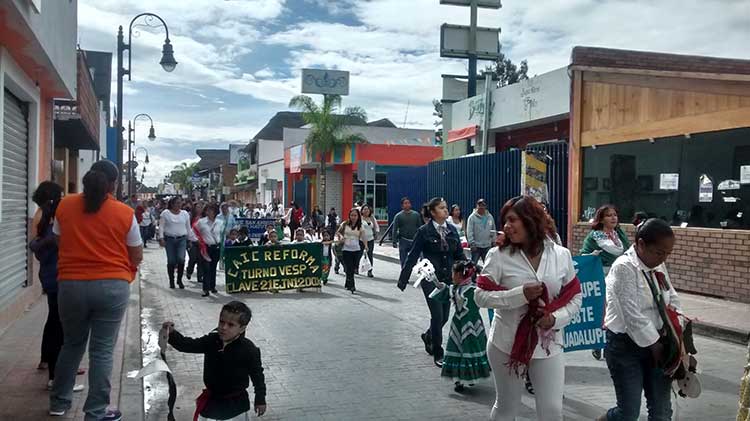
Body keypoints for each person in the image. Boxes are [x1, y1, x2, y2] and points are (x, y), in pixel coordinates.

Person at [50, 160, 143, 421]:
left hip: (71, 285)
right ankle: (95, 412)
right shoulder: (124, 213)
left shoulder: (65, 205)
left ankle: (59, 402)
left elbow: (59, 240)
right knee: (101, 350)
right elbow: (136, 254)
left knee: (72, 344)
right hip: (112, 286)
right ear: (113, 184)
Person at [475, 195, 582, 421]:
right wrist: (519, 294)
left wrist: (555, 319)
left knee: (552, 410)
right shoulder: (498, 256)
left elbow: (575, 297)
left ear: (530, 220)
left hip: (548, 346)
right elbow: (481, 296)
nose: (506, 226)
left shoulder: (561, 255)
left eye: (513, 220)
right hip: (506, 344)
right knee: (506, 408)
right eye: (505, 220)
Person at [597, 218, 681, 421]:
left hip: (659, 343)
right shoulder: (624, 267)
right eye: (659, 253)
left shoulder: (658, 265)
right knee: (628, 412)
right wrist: (654, 344)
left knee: (661, 412)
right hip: (625, 346)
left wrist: (677, 326)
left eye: (667, 254)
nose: (663, 259)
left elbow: (672, 296)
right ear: (641, 244)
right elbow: (631, 314)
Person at [163, 301, 267, 420]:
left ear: (242, 328)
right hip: (212, 402)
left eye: (231, 325)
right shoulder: (212, 340)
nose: (223, 327)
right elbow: (188, 345)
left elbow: (258, 376)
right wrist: (171, 334)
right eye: (221, 322)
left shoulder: (248, 350)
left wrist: (260, 399)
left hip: (235, 406)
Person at [397, 197, 468, 368]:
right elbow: (412, 255)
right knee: (437, 316)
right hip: (430, 278)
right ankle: (438, 352)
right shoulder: (424, 231)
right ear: (433, 212)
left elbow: (459, 254)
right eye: (442, 208)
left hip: (448, 279)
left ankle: (429, 336)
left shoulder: (451, 230)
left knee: (444, 317)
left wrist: (470, 269)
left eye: (446, 208)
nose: (446, 210)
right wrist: (403, 279)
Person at [29, 181, 85, 392]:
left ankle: (57, 368)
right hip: (59, 274)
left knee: (56, 321)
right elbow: (35, 244)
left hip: (53, 274)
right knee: (60, 325)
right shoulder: (48, 216)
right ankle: (56, 375)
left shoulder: (46, 215)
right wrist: (53, 239)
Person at [429, 260, 490, 392]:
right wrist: (436, 283)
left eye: (453, 273)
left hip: (471, 327)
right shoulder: (455, 289)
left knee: (470, 350)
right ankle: (459, 380)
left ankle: (470, 376)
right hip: (458, 325)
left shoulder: (474, 290)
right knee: (457, 349)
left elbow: (479, 303)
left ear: (461, 275)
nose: (452, 276)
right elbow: (445, 293)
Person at [581, 204, 631, 360]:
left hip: (619, 276)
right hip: (601, 276)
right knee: (603, 309)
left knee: (620, 308)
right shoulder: (594, 236)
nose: (613, 218)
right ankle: (598, 343)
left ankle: (618, 341)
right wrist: (592, 256)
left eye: (615, 214)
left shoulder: (619, 234)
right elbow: (584, 255)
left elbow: (629, 251)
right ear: (601, 219)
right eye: (609, 215)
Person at [159, 197, 191, 289]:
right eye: (176, 203)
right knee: (171, 260)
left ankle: (179, 279)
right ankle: (171, 280)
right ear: (172, 204)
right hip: (169, 240)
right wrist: (161, 238)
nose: (178, 205)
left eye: (180, 203)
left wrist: (190, 239)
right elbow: (161, 226)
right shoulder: (166, 213)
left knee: (181, 259)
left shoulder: (185, 214)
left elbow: (188, 228)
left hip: (182, 239)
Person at [336, 208, 368, 293]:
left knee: (353, 268)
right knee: (349, 267)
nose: (353, 217)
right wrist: (341, 237)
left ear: (358, 216)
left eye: (355, 215)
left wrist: (366, 246)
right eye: (351, 215)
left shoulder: (360, 226)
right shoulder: (345, 224)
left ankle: (348, 282)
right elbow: (338, 232)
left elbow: (364, 236)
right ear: (349, 216)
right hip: (346, 249)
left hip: (356, 249)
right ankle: (352, 286)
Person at [194, 203, 223, 297]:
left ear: (215, 212)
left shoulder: (219, 222)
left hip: (216, 247)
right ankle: (205, 289)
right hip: (205, 247)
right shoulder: (201, 222)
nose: (209, 212)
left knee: (213, 267)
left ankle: (212, 286)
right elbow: (193, 231)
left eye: (211, 210)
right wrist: (197, 240)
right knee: (206, 268)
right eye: (207, 210)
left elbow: (222, 234)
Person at [392, 197, 424, 268]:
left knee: (421, 256)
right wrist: (394, 241)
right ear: (402, 205)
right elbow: (395, 229)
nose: (407, 205)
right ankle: (404, 274)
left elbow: (420, 227)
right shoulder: (398, 216)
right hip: (403, 240)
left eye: (408, 203)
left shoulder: (416, 215)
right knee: (403, 259)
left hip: (414, 240)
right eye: (405, 203)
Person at [466, 198, 496, 266]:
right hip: (476, 246)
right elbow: (469, 231)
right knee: (473, 265)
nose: (481, 207)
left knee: (488, 265)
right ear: (476, 206)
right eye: (479, 205)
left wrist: (494, 241)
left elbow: (493, 229)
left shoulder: (490, 217)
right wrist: (472, 243)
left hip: (487, 246)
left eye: (483, 205)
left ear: (486, 206)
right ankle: (472, 277)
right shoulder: (472, 217)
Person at [187, 203, 206, 283]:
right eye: (197, 207)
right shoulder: (191, 218)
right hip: (193, 241)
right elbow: (188, 230)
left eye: (201, 207)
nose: (199, 209)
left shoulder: (205, 218)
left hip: (202, 241)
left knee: (201, 259)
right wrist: (189, 240)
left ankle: (200, 276)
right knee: (193, 258)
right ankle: (189, 270)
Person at [360, 204, 380, 278]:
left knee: (370, 254)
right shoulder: (360, 218)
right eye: (364, 209)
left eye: (367, 209)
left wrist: (376, 233)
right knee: (359, 254)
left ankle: (370, 271)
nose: (366, 210)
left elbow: (376, 226)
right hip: (361, 239)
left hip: (370, 238)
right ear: (362, 211)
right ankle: (356, 267)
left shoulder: (372, 218)